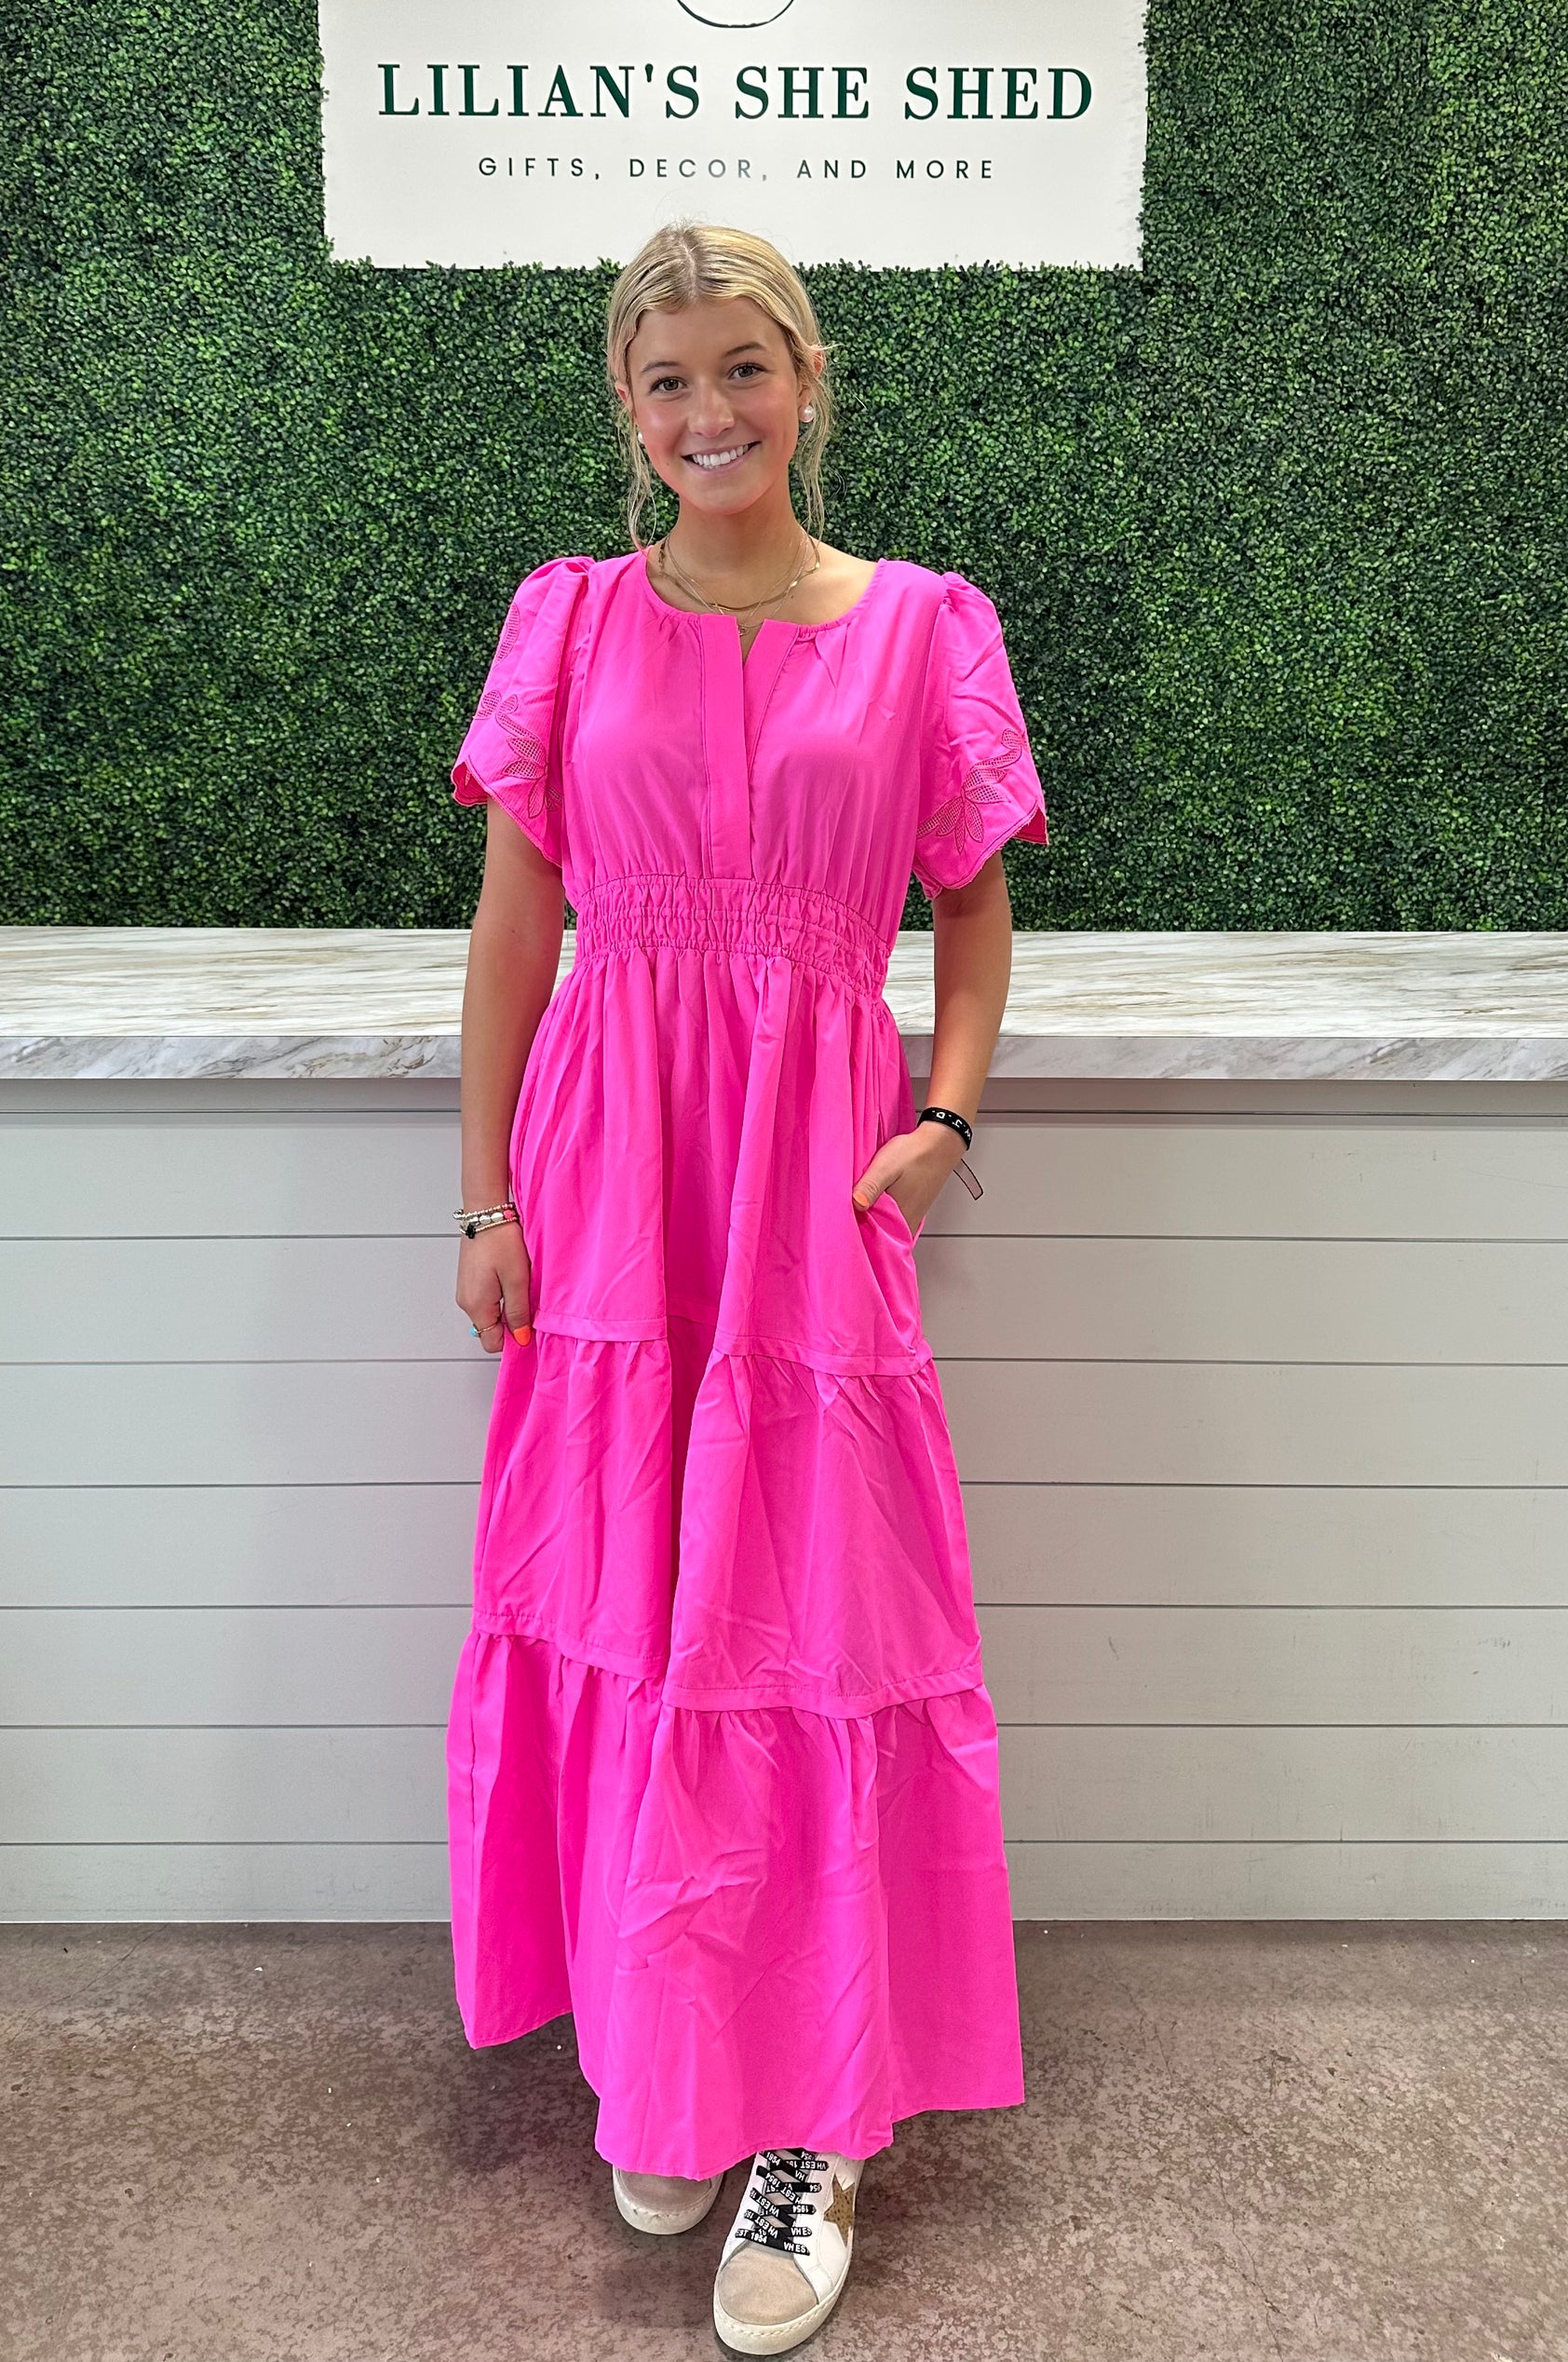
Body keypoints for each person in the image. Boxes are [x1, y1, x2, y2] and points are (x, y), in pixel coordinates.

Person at [446, 219, 1048, 2358]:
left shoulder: (924, 630)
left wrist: (947, 1112)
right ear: (628, 410)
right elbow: (515, 923)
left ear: (806, 377)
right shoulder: (567, 618)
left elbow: (970, 907)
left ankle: (817, 2118)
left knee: (809, 1613)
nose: (709, 414)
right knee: (628, 1597)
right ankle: (670, 2049)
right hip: (611, 1175)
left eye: (741, 369)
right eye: (667, 381)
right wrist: (482, 1192)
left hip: (810, 1168)